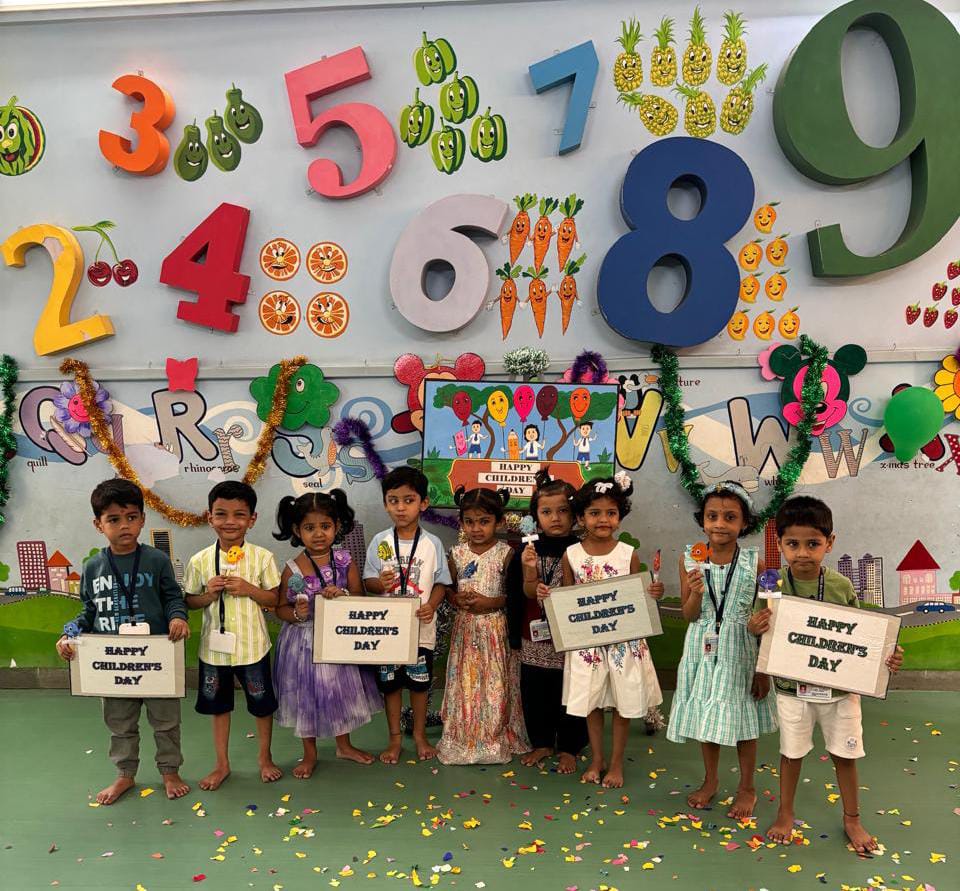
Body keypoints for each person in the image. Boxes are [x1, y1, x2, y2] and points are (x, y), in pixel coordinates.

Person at [758, 496, 904, 853]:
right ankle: (785, 812)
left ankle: (852, 818)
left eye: (813, 543)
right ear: (780, 544)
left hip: (839, 692)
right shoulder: (772, 584)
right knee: (791, 754)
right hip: (792, 690)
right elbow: (761, 630)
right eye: (793, 544)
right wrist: (754, 625)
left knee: (845, 755)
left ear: (830, 542)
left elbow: (861, 638)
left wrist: (886, 655)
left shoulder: (840, 586)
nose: (802, 553)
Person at [55, 479, 190, 805]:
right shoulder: (92, 567)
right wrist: (69, 633)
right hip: (113, 665)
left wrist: (178, 617)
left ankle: (170, 771)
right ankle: (125, 774)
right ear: (98, 524)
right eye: (113, 519)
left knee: (166, 722)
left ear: (142, 519)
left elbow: (173, 597)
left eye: (131, 517)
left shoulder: (156, 560)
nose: (124, 525)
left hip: (155, 659)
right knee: (119, 724)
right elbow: (87, 611)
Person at [667, 480, 777, 820]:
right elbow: (689, 615)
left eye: (730, 517)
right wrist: (695, 593)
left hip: (740, 650)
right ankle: (711, 779)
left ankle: (747, 787)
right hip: (701, 649)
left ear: (744, 523)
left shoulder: (755, 564)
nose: (720, 524)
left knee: (743, 719)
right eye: (712, 516)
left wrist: (762, 670)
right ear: (702, 521)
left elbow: (768, 618)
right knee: (706, 712)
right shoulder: (689, 560)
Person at [544, 475, 663, 788]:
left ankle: (616, 763)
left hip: (623, 643)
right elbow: (568, 599)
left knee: (623, 702)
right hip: (588, 645)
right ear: (581, 517)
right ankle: (596, 758)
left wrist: (653, 593)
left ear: (620, 517)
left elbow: (637, 598)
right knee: (592, 702)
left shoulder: (627, 553)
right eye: (594, 513)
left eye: (611, 513)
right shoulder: (572, 555)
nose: (603, 519)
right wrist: (549, 596)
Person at [272, 491, 383, 777]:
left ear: (337, 526)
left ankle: (344, 745)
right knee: (306, 696)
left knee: (340, 693)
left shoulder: (345, 560)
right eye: (309, 527)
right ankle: (310, 753)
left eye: (325, 526)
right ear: (297, 530)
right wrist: (298, 613)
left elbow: (359, 596)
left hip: (339, 640)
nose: (318, 534)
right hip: (303, 643)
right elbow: (280, 609)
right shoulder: (292, 569)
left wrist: (343, 594)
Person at [184, 481, 282, 790]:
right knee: (219, 707)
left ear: (252, 519)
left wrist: (250, 589)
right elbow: (190, 601)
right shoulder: (199, 560)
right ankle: (222, 764)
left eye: (239, 514)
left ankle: (265, 758)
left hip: (253, 648)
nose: (230, 521)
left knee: (262, 705)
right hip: (214, 651)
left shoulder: (263, 557)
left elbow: (274, 599)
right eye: (221, 514)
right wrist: (208, 595)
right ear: (209, 517)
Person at [363, 467, 451, 763]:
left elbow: (441, 583)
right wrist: (380, 584)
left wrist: (432, 605)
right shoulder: (380, 542)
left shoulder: (432, 544)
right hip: (387, 631)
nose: (401, 507)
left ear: (423, 503)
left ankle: (420, 736)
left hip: (420, 629)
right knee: (390, 686)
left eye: (409, 500)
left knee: (419, 685)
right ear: (385, 504)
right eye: (394, 500)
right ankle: (395, 739)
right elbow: (368, 582)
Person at [436, 487, 529, 764]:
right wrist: (456, 598)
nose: (476, 529)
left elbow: (513, 596)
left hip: (494, 629)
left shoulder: (506, 554)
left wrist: (491, 602)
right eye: (470, 522)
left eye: (484, 521)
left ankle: (493, 737)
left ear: (499, 522)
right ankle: (463, 737)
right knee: (466, 681)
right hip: (465, 628)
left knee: (494, 681)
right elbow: (447, 588)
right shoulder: (457, 553)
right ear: (462, 523)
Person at [506, 468, 587, 774]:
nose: (555, 518)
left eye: (563, 511)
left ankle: (569, 747)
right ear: (535, 517)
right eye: (546, 512)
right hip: (533, 637)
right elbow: (515, 595)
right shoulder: (526, 551)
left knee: (572, 691)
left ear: (575, 514)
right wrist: (514, 636)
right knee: (535, 691)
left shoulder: (582, 551)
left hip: (573, 639)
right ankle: (541, 742)